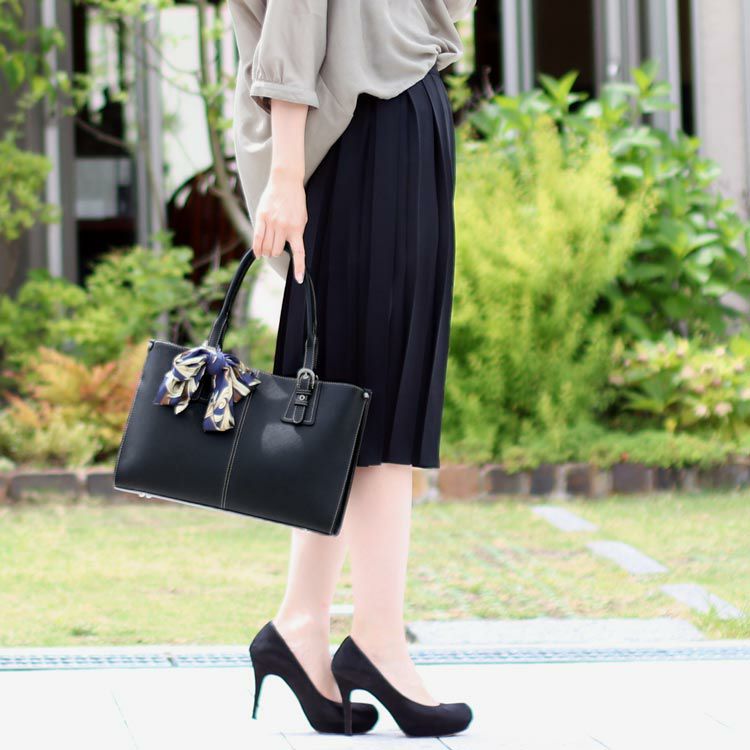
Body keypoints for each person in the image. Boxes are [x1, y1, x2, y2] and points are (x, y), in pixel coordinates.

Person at [227, 0, 476, 738]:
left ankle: (302, 624)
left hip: (403, 115)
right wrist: (285, 174)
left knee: (355, 398)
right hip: (359, 131)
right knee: (368, 396)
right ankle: (377, 640)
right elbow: (294, 18)